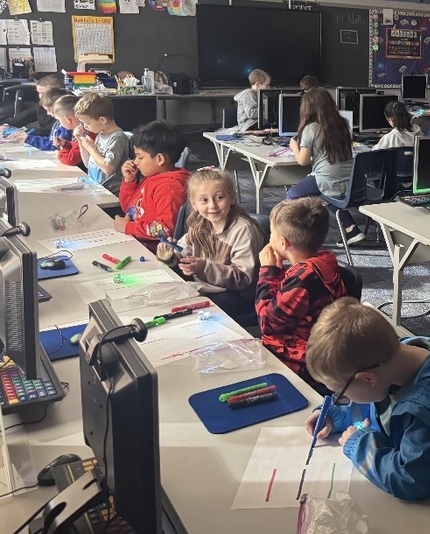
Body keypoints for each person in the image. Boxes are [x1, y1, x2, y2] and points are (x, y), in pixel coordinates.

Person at [304, 297, 430, 534]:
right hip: (416, 476)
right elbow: (376, 402)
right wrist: (336, 415)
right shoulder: (398, 356)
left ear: (367, 378)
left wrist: (359, 446)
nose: (342, 399)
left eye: (340, 394)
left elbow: (409, 480)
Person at [256, 197, 347, 384]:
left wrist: (268, 272)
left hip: (301, 362)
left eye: (271, 233)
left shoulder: (301, 280)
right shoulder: (325, 260)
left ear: (283, 243)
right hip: (323, 351)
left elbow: (267, 323)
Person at [156, 169, 264, 323]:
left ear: (232, 197)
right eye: (204, 200)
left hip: (239, 295)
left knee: (192, 317)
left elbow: (243, 278)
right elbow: (185, 249)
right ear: (194, 203)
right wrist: (171, 255)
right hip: (207, 287)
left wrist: (204, 268)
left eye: (219, 197)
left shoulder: (243, 230)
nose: (213, 205)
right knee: (167, 303)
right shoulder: (200, 224)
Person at [285, 88, 362, 245]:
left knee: (292, 195)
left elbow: (302, 161)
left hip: (327, 178)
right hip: (349, 179)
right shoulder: (342, 125)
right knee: (326, 196)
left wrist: (294, 146)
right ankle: (351, 228)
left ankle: (297, 236)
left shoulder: (311, 128)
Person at [115, 120, 190, 242]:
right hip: (135, 240)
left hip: (150, 249)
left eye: (140, 157)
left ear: (159, 159)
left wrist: (128, 227)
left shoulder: (169, 188)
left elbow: (163, 230)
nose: (136, 162)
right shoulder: (153, 177)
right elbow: (129, 210)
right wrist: (129, 181)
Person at [73, 92, 131, 192]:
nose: (85, 126)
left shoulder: (117, 138)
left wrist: (91, 148)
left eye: (87, 123)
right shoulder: (101, 134)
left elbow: (108, 169)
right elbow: (88, 164)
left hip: (109, 193)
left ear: (102, 120)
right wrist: (81, 141)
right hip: (96, 188)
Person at [51, 94, 90, 167]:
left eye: (59, 120)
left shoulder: (84, 131)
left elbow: (71, 159)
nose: (60, 124)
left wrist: (59, 154)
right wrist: (66, 144)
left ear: (68, 119)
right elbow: (76, 148)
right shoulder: (80, 128)